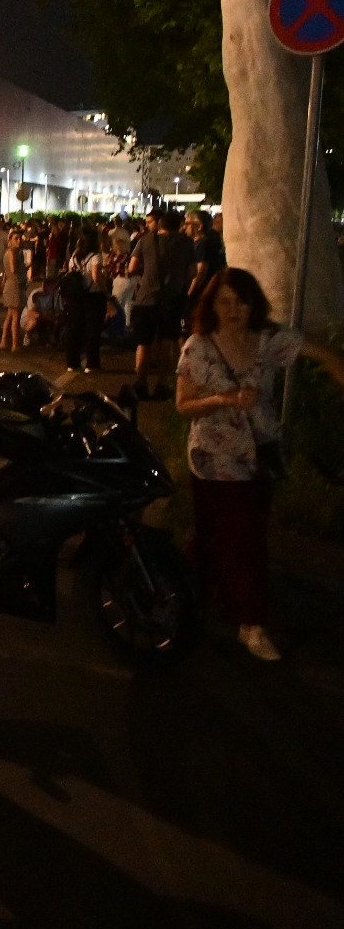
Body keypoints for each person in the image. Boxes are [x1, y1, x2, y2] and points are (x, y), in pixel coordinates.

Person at [176, 268, 344, 661]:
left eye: (241, 301)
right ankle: (251, 624)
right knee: (246, 539)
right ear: (212, 305)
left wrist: (337, 372)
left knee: (216, 534)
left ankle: (185, 588)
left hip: (259, 451)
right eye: (224, 301)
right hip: (214, 456)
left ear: (254, 303)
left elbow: (321, 353)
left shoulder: (268, 340)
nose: (233, 310)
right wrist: (226, 400)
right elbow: (184, 405)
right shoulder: (198, 347)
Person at [128, 208, 195, 399]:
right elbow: (193, 272)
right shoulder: (186, 243)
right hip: (172, 300)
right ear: (178, 225)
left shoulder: (145, 240)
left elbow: (132, 267)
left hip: (145, 299)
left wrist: (146, 275)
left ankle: (140, 383)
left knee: (143, 343)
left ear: (160, 224)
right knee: (167, 342)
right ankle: (162, 384)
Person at [63, 228, 108, 372]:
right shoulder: (95, 257)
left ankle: (72, 362)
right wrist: (106, 291)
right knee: (92, 330)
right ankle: (92, 364)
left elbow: (70, 276)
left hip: (75, 297)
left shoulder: (74, 257)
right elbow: (96, 277)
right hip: (93, 296)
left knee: (74, 328)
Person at [0, 228, 27, 352]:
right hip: (14, 285)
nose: (19, 241)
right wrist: (26, 267)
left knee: (10, 315)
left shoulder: (12, 252)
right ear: (10, 240)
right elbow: (13, 269)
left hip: (12, 285)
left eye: (20, 238)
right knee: (15, 316)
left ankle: (4, 341)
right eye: (16, 239)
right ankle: (15, 344)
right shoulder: (11, 253)